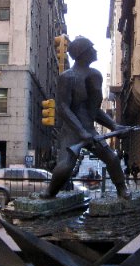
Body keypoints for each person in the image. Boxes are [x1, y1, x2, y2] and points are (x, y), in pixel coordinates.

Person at [41, 36, 130, 199]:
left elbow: (94, 110)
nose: (95, 51)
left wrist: (113, 126)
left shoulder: (95, 76)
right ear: (83, 53)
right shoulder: (67, 77)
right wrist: (81, 132)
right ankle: (50, 193)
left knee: (112, 158)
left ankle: (122, 190)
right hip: (72, 131)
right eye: (91, 49)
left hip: (89, 130)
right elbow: (63, 108)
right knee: (66, 165)